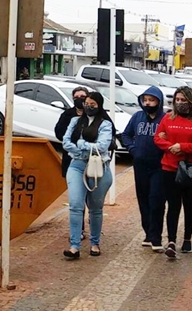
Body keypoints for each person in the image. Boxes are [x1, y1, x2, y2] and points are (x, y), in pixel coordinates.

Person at [154, 86, 192, 259]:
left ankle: (187, 238)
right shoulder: (167, 118)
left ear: (190, 101)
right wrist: (171, 147)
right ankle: (171, 240)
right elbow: (157, 138)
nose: (180, 103)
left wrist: (183, 147)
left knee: (189, 204)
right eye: (177, 100)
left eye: (183, 100)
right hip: (170, 167)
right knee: (173, 205)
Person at [62, 91, 114, 259]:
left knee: (96, 208)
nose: (88, 107)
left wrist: (82, 144)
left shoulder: (105, 124)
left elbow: (103, 146)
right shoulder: (75, 121)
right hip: (77, 165)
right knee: (75, 205)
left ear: (99, 106)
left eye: (93, 104)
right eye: (86, 103)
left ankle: (95, 243)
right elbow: (66, 142)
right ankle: (74, 246)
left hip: (99, 168)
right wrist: (82, 149)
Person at [122, 86, 167, 252]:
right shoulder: (137, 117)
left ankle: (156, 237)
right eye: (145, 100)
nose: (148, 103)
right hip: (140, 165)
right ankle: (148, 233)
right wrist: (133, 149)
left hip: (159, 166)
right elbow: (125, 135)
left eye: (152, 100)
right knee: (143, 200)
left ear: (159, 101)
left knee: (156, 200)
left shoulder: (165, 118)